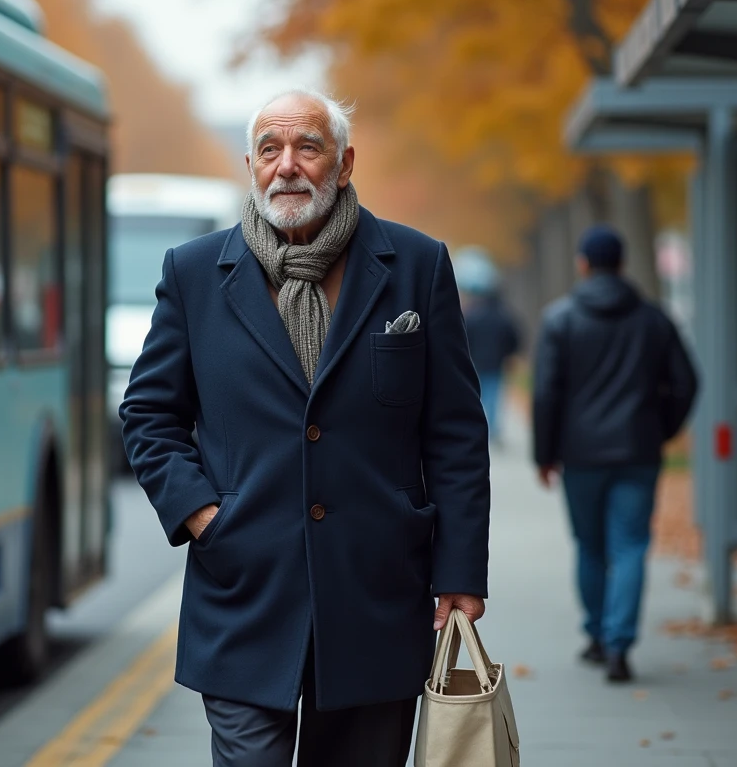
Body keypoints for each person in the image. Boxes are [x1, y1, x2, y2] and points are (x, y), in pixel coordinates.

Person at [120, 90, 491, 766]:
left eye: (307, 148)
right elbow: (149, 412)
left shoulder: (416, 265)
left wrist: (461, 570)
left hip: (376, 592)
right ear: (252, 165)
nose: (287, 166)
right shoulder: (195, 273)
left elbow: (455, 434)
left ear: (344, 164)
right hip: (243, 590)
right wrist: (203, 514)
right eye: (270, 150)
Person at [532, 224, 698, 683]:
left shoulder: (560, 319)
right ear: (622, 264)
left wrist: (544, 455)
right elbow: (686, 382)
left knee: (590, 545)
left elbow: (546, 394)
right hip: (638, 451)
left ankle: (598, 637)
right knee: (630, 546)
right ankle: (621, 644)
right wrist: (660, 429)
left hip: (581, 455)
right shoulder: (653, 318)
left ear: (583, 263)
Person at [461, 284, 520, 444]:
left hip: (476, 361)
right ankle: (492, 429)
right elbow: (513, 337)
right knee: (493, 395)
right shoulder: (504, 316)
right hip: (496, 362)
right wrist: (509, 353)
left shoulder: (473, 315)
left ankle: (479, 425)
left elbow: (465, 337)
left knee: (478, 394)